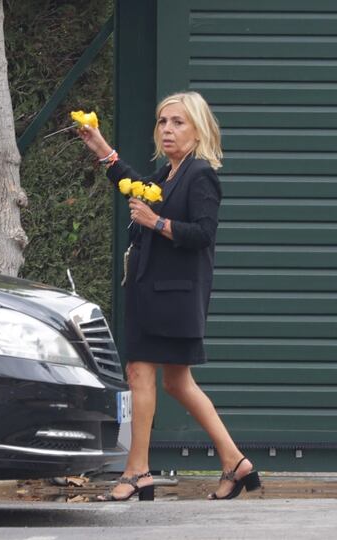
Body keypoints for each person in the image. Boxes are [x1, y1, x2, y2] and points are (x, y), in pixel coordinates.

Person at [78, 91, 260, 501]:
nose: (168, 129)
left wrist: (156, 222)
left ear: (198, 129)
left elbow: (203, 234)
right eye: (163, 122)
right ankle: (233, 460)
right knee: (177, 382)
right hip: (155, 292)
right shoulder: (169, 173)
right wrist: (103, 149)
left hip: (174, 296)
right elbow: (135, 185)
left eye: (178, 122)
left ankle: (137, 470)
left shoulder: (201, 175)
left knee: (142, 372)